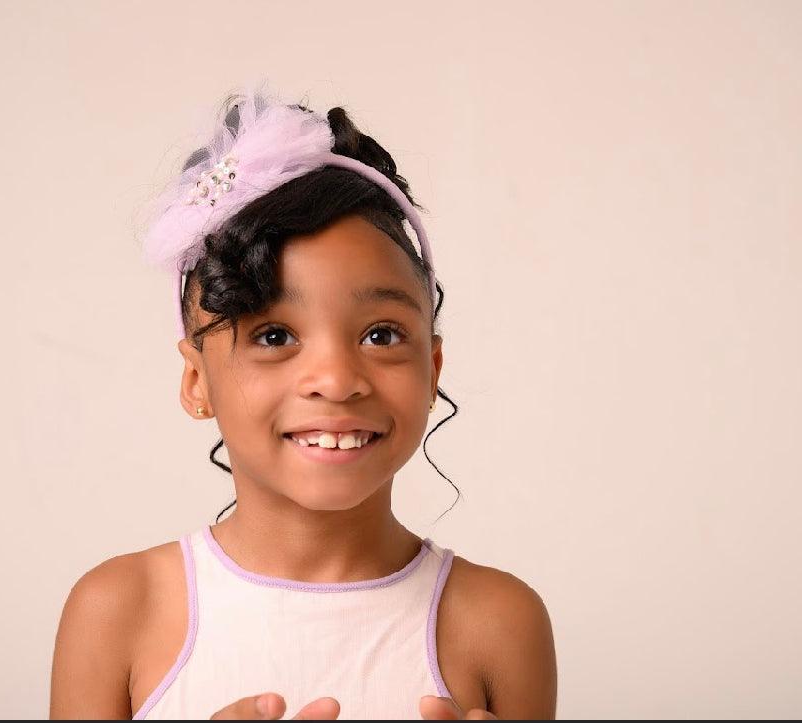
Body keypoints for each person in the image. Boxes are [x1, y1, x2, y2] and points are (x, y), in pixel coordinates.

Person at [49, 82, 557, 720]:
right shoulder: (118, 611)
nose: (337, 379)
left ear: (432, 369)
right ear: (195, 381)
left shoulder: (499, 622)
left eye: (381, 335)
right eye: (274, 335)